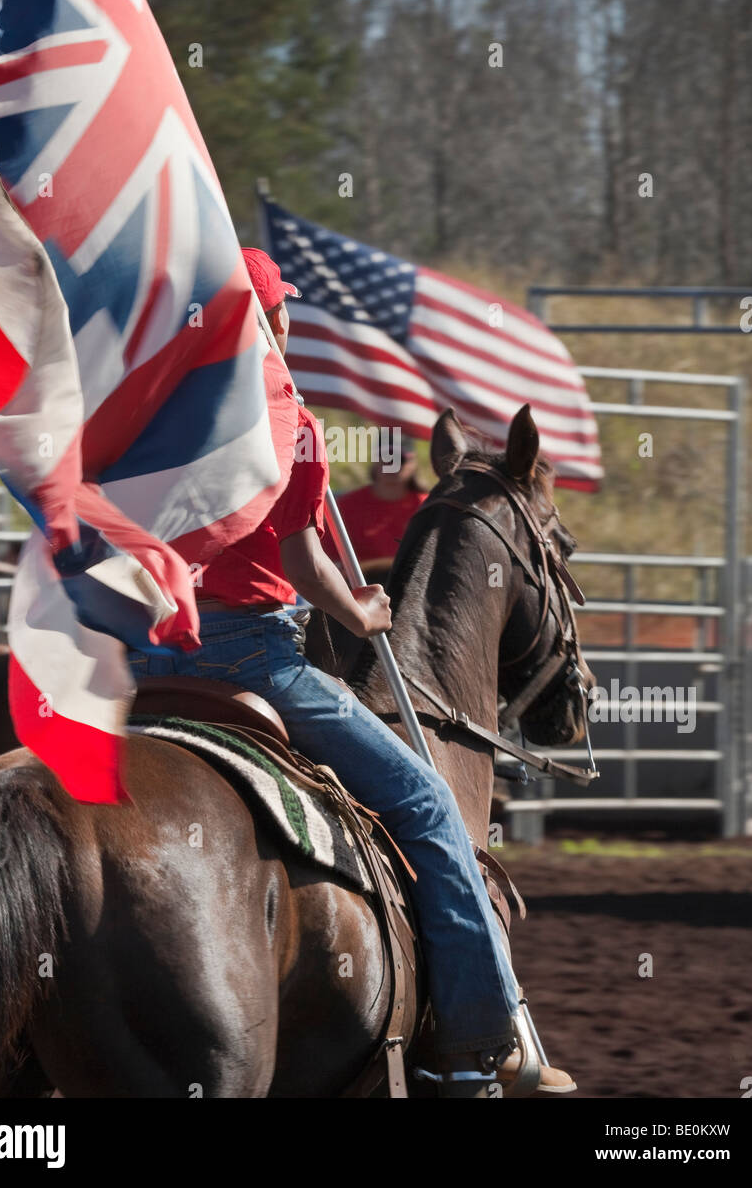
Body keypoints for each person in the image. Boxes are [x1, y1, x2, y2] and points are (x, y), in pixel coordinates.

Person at [127, 247, 573, 1097]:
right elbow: (300, 561)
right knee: (427, 805)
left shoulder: (155, 405)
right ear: (271, 318)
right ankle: (480, 1039)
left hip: (149, 649)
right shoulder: (285, 413)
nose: (291, 320)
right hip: (250, 652)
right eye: (282, 309)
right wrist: (358, 614)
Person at [322, 438, 428, 578]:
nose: (391, 465)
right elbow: (328, 561)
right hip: (361, 588)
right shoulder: (346, 506)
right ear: (374, 461)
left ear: (413, 464)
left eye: (399, 460)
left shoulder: (429, 507)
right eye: (386, 458)